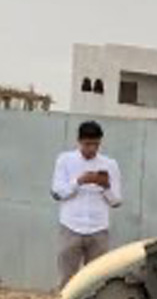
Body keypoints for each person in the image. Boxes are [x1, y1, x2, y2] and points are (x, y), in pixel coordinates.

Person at [52, 121, 121, 288]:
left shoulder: (109, 164)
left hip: (98, 229)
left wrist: (105, 186)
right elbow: (57, 193)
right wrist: (79, 181)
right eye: (87, 144)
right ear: (79, 141)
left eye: (95, 144)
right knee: (67, 280)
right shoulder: (65, 160)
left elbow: (116, 201)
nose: (92, 149)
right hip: (71, 227)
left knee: (97, 281)